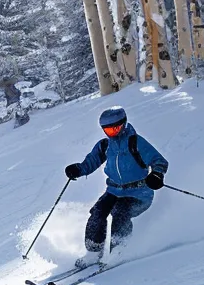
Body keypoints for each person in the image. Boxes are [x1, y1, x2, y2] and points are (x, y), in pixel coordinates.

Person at [64, 107, 168, 267]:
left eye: (115, 128)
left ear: (123, 124)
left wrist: (156, 175)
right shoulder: (105, 145)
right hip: (113, 190)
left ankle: (119, 252)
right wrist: (78, 169)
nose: (111, 133)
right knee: (97, 213)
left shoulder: (136, 142)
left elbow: (159, 161)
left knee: (120, 213)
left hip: (139, 193)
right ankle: (93, 253)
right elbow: (90, 162)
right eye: (107, 129)